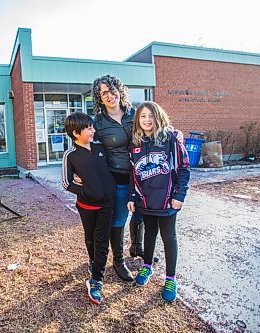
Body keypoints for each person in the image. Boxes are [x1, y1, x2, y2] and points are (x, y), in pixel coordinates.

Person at [127, 101, 190, 302]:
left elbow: (183, 168)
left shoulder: (171, 139)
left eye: (151, 116)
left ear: (158, 117)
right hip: (145, 199)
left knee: (168, 237)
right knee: (149, 233)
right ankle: (147, 267)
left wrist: (179, 196)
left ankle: (170, 278)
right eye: (143, 116)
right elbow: (132, 174)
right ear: (138, 120)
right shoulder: (135, 144)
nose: (147, 120)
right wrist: (131, 196)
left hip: (167, 201)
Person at [90, 74, 142, 282]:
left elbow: (154, 129)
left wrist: (173, 133)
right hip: (117, 178)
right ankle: (118, 261)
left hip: (141, 175)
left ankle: (138, 249)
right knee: (119, 219)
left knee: (142, 215)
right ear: (99, 98)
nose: (110, 96)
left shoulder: (134, 114)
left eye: (112, 90)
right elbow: (88, 147)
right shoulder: (99, 123)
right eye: (104, 93)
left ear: (120, 91)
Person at [62, 112, 116, 305]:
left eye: (93, 127)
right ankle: (93, 261)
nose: (93, 130)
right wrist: (85, 191)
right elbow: (66, 183)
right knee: (90, 237)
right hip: (86, 206)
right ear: (76, 133)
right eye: (89, 128)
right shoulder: (71, 155)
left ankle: (96, 280)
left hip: (107, 204)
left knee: (102, 240)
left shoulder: (100, 146)